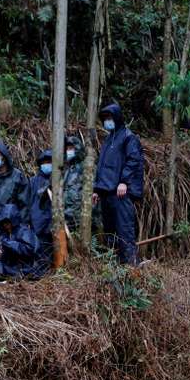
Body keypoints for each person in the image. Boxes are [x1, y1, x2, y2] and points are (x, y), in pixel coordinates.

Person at [92, 103, 144, 264]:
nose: (107, 121)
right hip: (106, 192)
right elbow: (102, 166)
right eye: (105, 118)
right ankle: (114, 267)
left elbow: (133, 160)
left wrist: (124, 182)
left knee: (124, 230)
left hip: (121, 193)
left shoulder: (128, 137)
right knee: (110, 231)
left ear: (117, 117)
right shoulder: (108, 140)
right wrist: (97, 189)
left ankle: (131, 267)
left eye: (110, 117)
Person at [26, 149, 56, 264]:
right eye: (44, 162)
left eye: (49, 162)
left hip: (54, 223)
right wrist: (28, 221)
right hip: (38, 224)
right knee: (40, 253)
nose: (47, 164)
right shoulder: (32, 182)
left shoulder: (59, 180)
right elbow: (26, 202)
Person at [61, 134, 89, 238]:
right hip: (68, 217)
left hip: (80, 218)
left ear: (77, 148)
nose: (68, 151)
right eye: (67, 149)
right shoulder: (67, 169)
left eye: (71, 148)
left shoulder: (86, 167)